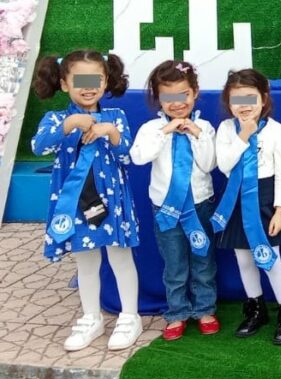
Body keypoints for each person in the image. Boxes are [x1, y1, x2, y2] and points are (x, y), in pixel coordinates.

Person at [31, 50, 142, 351]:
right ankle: (91, 316)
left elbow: (129, 155)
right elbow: (39, 146)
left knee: (121, 257)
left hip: (113, 204)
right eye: (80, 80)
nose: (88, 86)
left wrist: (111, 133)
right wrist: (70, 124)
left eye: (96, 79)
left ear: (106, 82)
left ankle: (130, 316)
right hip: (75, 207)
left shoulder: (115, 117)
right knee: (86, 262)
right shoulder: (55, 119)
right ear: (64, 84)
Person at [130, 60, 219, 340]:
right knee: (174, 263)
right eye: (168, 97)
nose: (177, 103)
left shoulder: (204, 127)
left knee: (203, 258)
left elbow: (209, 164)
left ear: (194, 93)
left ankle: (205, 309)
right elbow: (139, 156)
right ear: (159, 98)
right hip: (166, 209)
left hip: (200, 205)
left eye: (183, 95)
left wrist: (196, 135)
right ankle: (177, 312)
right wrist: (165, 132)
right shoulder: (151, 128)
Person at [212, 69, 281, 345]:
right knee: (244, 259)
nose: (244, 105)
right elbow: (224, 165)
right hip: (235, 200)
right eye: (237, 99)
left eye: (251, 98)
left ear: (264, 98)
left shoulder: (278, 131)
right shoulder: (226, 130)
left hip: (265, 199)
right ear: (228, 101)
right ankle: (256, 308)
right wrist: (243, 136)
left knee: (271, 258)